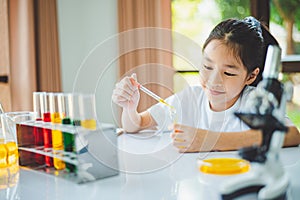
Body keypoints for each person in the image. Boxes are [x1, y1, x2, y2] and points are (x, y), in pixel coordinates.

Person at [112, 16, 300, 153]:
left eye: (228, 73)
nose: (213, 81)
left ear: (250, 76)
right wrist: (130, 109)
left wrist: (211, 140)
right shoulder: (190, 98)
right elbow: (135, 126)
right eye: (207, 66)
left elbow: (292, 135)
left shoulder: (252, 101)